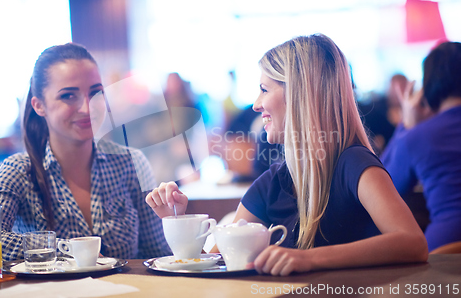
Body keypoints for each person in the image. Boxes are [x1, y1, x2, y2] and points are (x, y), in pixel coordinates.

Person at [146, 34, 427, 275]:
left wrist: (308, 259)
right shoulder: (274, 181)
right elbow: (217, 261)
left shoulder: (354, 164)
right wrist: (177, 220)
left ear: (299, 94)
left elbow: (413, 243)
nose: (256, 105)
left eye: (264, 90)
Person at [0, 43, 171, 263]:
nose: (86, 107)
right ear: (39, 106)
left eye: (95, 93)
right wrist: (63, 250)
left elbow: (157, 255)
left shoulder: (130, 163)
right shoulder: (19, 170)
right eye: (68, 96)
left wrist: (174, 220)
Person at [381, 41, 461, 252]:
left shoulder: (419, 137)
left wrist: (405, 126)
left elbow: (385, 189)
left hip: (445, 250)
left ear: (428, 86)